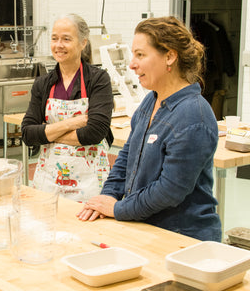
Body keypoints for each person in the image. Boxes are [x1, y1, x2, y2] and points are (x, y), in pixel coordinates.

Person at [77, 16, 222, 242]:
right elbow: (126, 158)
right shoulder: (150, 101)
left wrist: (118, 209)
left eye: (140, 55)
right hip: (147, 229)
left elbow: (169, 191)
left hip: (183, 239)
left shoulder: (194, 116)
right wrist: (106, 198)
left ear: (170, 56)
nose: (132, 64)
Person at [21, 14, 114, 202]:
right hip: (49, 182)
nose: (59, 45)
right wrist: (72, 123)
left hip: (89, 184)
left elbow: (95, 133)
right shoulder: (43, 84)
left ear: (83, 42)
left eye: (66, 39)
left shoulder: (98, 79)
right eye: (54, 38)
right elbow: (28, 134)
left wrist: (48, 136)